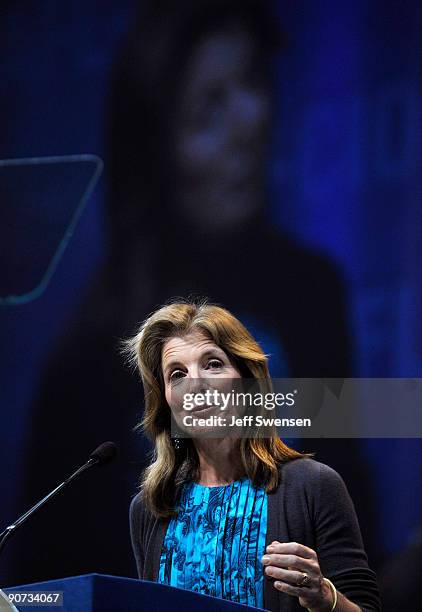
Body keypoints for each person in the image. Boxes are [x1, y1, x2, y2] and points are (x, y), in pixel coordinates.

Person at [126, 300, 381, 612]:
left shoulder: (313, 485)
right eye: (177, 374)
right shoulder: (152, 508)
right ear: (166, 402)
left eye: (212, 364)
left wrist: (325, 597)